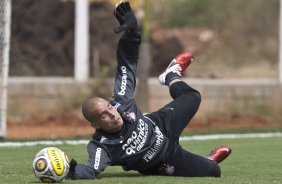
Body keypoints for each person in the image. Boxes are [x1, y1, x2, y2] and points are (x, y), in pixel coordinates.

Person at [67, 1, 231, 180]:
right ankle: (207, 160)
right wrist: (72, 172)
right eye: (103, 115)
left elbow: (127, 63)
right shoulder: (103, 146)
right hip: (163, 159)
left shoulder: (121, 101)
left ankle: (171, 76)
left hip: (161, 124)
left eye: (109, 107)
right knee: (213, 171)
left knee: (192, 97)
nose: (112, 114)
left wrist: (131, 32)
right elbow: (92, 169)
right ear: (95, 125)